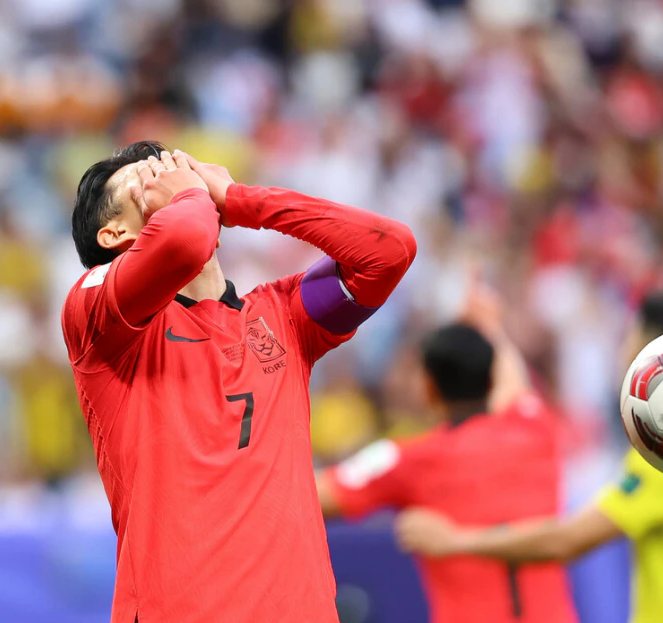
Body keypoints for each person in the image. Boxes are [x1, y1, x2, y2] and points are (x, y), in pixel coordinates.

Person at [61, 141, 416, 622]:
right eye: (145, 180)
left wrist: (238, 198)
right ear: (113, 234)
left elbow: (390, 251)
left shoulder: (285, 315)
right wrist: (191, 198)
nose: (172, 175)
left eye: (177, 167)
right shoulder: (96, 315)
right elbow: (185, 239)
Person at [397, 293, 663, 623]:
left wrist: (454, 541)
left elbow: (566, 541)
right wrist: (492, 331)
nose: (622, 350)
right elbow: (518, 399)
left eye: (630, 336)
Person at [315, 280, 579, 623]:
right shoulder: (536, 426)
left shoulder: (407, 459)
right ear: (490, 379)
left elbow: (311, 496)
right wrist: (488, 324)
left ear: (429, 387)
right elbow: (512, 381)